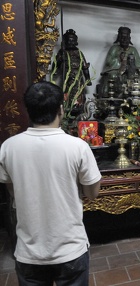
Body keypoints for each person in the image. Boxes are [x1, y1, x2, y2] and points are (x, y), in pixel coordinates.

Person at [0, 81, 101, 285]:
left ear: (28, 110)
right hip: (70, 249)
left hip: (29, 251)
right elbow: (92, 193)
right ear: (61, 109)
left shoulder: (8, 147)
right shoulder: (78, 147)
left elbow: (12, 191)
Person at [98, 26, 140, 97]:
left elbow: (139, 65)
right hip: (116, 70)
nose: (124, 40)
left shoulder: (133, 50)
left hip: (131, 71)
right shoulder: (114, 48)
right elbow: (109, 62)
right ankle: (112, 97)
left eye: (126, 38)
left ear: (129, 39)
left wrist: (138, 69)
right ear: (119, 38)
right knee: (113, 76)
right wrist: (119, 58)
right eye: (122, 38)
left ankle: (139, 97)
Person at [53, 29, 92, 110]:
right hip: (67, 78)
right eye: (68, 41)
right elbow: (55, 66)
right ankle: (67, 109)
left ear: (76, 42)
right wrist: (60, 59)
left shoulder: (78, 52)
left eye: (72, 41)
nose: (71, 43)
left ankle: (78, 108)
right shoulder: (62, 52)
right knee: (67, 93)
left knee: (78, 94)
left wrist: (88, 78)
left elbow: (84, 67)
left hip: (78, 78)